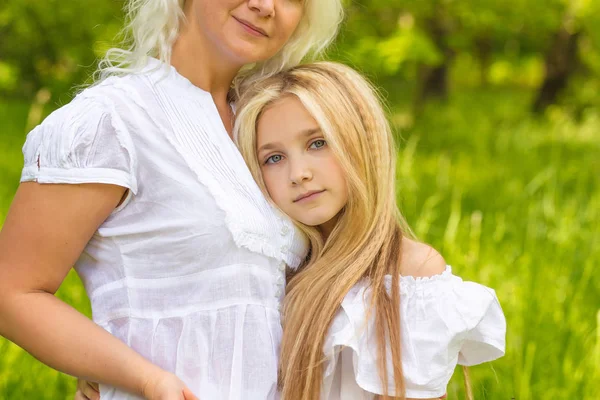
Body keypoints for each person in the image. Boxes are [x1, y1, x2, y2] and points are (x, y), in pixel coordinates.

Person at [0, 1, 343, 399]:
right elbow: (12, 293)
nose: (264, 6)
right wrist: (145, 379)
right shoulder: (111, 121)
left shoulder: (271, 124)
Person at [233, 61, 507, 399]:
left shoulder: (410, 276)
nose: (298, 173)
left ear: (360, 142)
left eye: (318, 143)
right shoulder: (277, 268)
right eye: (273, 158)